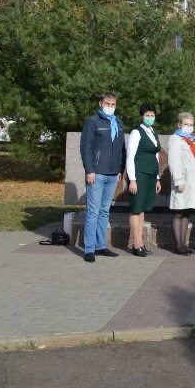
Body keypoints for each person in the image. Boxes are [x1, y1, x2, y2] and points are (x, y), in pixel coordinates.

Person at [80, 92, 126, 263]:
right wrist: (89, 170)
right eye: (107, 103)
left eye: (113, 104)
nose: (110, 107)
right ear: (100, 103)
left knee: (104, 211)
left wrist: (120, 169)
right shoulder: (92, 121)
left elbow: (122, 148)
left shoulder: (118, 123)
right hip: (97, 173)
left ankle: (101, 246)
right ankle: (89, 249)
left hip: (113, 174)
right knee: (93, 211)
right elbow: (86, 147)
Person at [125, 103, 161, 257]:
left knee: (142, 209)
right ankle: (136, 244)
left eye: (152, 115)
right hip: (138, 175)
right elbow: (130, 157)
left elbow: (157, 156)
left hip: (150, 175)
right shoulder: (136, 132)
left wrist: (158, 178)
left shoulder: (153, 132)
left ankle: (141, 242)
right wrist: (132, 179)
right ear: (141, 116)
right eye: (147, 115)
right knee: (136, 209)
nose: (150, 118)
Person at [168, 112, 195, 255]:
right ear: (179, 125)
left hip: (193, 183)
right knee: (178, 212)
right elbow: (173, 161)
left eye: (191, 124)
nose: (189, 127)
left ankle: (184, 244)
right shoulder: (176, 139)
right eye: (186, 124)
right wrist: (178, 180)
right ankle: (178, 245)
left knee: (186, 212)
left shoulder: (194, 140)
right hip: (182, 182)